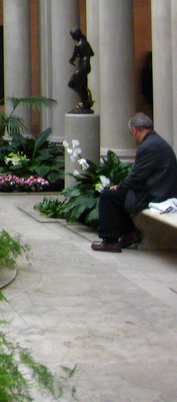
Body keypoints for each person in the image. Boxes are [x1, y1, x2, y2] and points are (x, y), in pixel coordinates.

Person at [92, 113, 177, 252]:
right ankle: (128, 234)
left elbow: (136, 176)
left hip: (156, 194)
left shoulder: (149, 146)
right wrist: (120, 187)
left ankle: (110, 241)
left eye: (132, 133)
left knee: (108, 197)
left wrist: (119, 187)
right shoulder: (156, 142)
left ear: (135, 130)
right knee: (117, 195)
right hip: (159, 189)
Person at [67, 27, 94, 113]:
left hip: (83, 66)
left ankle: (84, 103)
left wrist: (72, 59)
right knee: (81, 85)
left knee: (73, 84)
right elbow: (91, 53)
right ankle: (85, 103)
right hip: (86, 66)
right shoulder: (86, 43)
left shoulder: (78, 45)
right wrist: (82, 55)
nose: (72, 38)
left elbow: (72, 58)